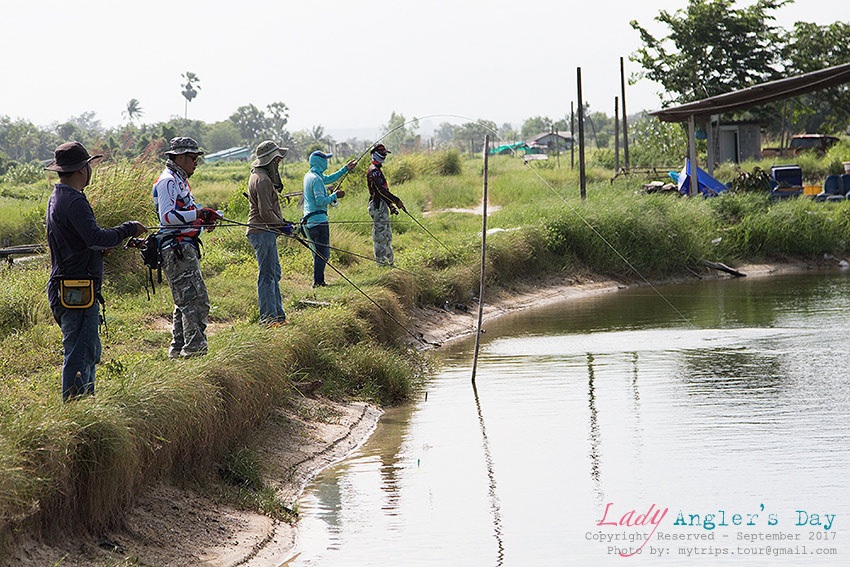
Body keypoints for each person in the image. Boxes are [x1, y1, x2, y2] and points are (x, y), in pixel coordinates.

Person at [45, 142, 147, 401]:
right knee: (80, 354)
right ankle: (78, 415)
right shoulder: (74, 201)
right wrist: (129, 228)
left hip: (69, 287)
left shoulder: (59, 197)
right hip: (76, 290)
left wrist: (95, 251)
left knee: (85, 350)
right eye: (89, 165)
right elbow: (96, 237)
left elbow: (82, 242)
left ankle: (86, 408)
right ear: (81, 169)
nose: (91, 170)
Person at [153, 136, 220, 358]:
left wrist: (202, 220)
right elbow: (167, 217)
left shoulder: (179, 180)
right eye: (192, 158)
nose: (195, 162)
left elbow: (184, 213)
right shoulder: (168, 181)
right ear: (180, 157)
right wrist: (198, 214)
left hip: (185, 246)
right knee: (196, 302)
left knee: (186, 301)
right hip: (176, 249)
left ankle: (178, 349)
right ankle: (194, 351)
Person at [246, 140, 295, 325]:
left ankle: (278, 315)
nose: (279, 163)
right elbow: (265, 212)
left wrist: (282, 224)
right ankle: (268, 319)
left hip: (266, 231)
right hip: (261, 231)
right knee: (267, 275)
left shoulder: (259, 176)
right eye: (277, 160)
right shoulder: (263, 180)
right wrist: (282, 225)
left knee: (274, 273)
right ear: (271, 160)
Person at [302, 150, 356, 287]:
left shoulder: (310, 176)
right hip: (319, 222)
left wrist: (345, 169)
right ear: (320, 162)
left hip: (309, 222)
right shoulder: (316, 180)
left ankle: (318, 281)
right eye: (325, 159)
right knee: (323, 254)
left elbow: (330, 178)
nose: (327, 161)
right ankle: (318, 283)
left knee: (318, 253)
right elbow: (320, 201)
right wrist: (334, 196)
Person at [366, 144, 405, 266]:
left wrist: (390, 205)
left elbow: (383, 193)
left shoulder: (378, 170)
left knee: (387, 236)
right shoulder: (373, 171)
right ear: (375, 154)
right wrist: (396, 200)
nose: (384, 156)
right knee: (380, 237)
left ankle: (389, 262)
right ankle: (381, 264)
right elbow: (380, 191)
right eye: (382, 154)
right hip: (377, 207)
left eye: (385, 154)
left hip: (383, 205)